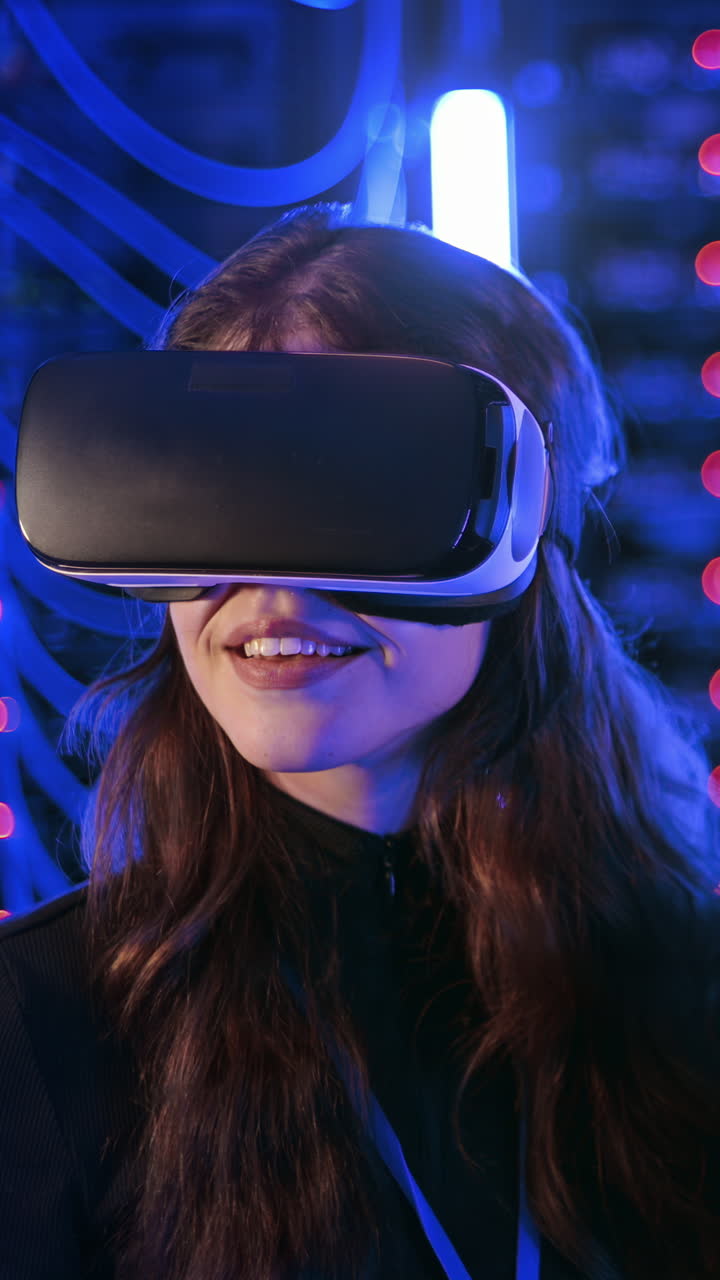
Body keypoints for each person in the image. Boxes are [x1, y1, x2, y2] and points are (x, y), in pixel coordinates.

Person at [1, 201, 719, 1280]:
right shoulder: (43, 1022)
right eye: (219, 492)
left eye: (354, 489)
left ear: (522, 534)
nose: (273, 588)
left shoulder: (684, 987)